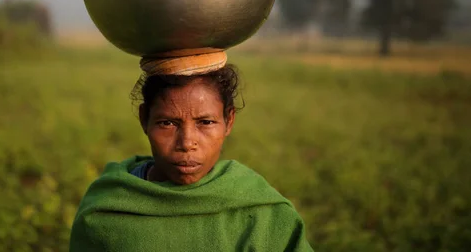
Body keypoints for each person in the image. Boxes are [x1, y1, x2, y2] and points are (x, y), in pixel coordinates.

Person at [69, 55, 313, 251]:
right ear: (145, 119)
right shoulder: (106, 212)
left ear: (228, 121)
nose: (187, 143)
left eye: (205, 123)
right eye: (167, 123)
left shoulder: (263, 213)